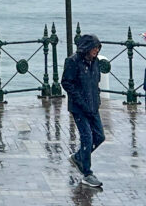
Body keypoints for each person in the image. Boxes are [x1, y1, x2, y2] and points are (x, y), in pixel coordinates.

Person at [61, 33, 105, 188]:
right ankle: (87, 172)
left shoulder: (95, 62)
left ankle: (79, 157)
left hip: (93, 105)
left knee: (99, 136)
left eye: (98, 48)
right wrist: (79, 99)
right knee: (87, 137)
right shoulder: (73, 61)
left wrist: (96, 98)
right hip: (79, 107)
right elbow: (66, 82)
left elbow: (96, 81)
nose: (96, 50)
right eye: (94, 47)